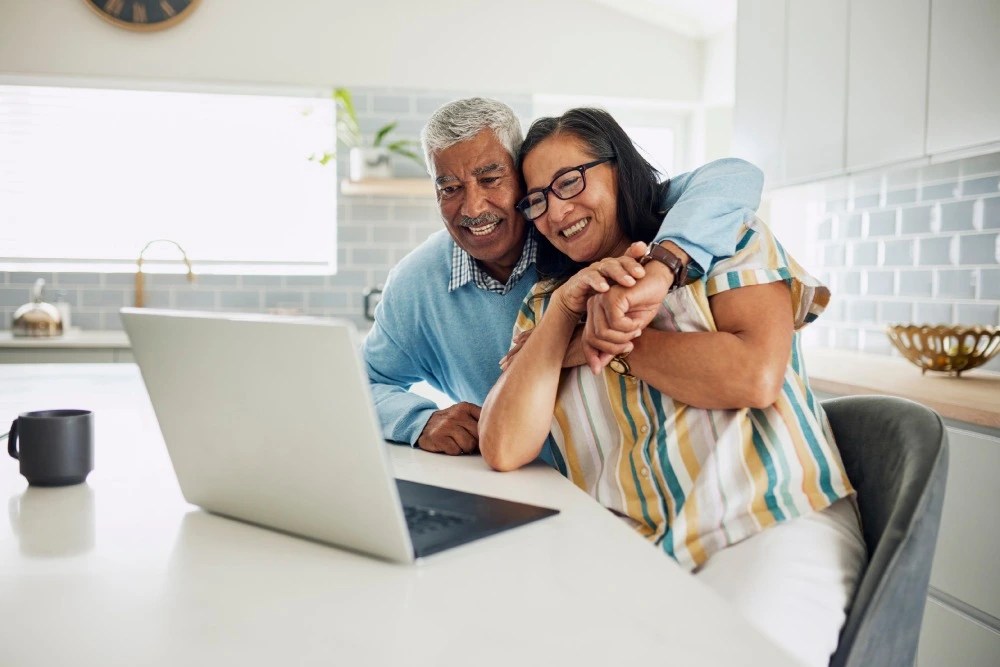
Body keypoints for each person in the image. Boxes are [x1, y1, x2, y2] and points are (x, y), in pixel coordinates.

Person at [478, 108, 865, 667]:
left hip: (764, 522)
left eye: (569, 182)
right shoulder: (546, 305)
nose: (556, 211)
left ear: (621, 169)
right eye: (536, 200)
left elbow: (753, 375)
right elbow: (505, 445)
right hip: (630, 552)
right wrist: (566, 312)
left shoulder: (729, 237)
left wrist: (609, 339)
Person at [363, 98, 765, 457]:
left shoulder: (582, 238)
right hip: (521, 478)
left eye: (490, 180)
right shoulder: (419, 284)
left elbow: (730, 178)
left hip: (612, 480)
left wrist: (662, 267)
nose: (472, 207)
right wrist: (418, 422)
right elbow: (360, 385)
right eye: (449, 188)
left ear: (522, 177)